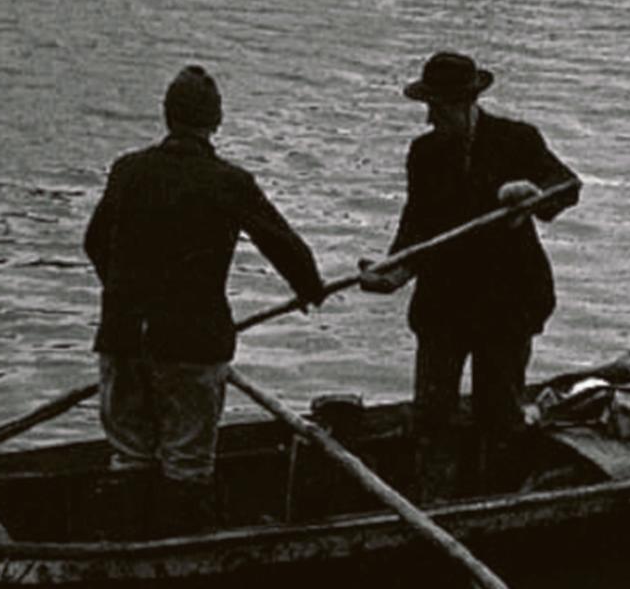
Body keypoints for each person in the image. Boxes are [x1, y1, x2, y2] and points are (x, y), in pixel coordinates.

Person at [84, 64, 326, 533]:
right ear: (216, 122)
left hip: (122, 339)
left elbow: (94, 242)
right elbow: (283, 245)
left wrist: (124, 296)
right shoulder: (228, 181)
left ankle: (121, 553)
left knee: (130, 456)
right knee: (187, 464)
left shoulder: (128, 170)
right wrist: (310, 289)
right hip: (191, 344)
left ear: (167, 116)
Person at [359, 51, 580, 494]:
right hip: (444, 304)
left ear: (466, 103)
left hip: (508, 302)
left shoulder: (516, 140)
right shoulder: (424, 153)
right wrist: (393, 271)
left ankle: (496, 499)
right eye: (428, 107)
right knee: (431, 414)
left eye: (438, 108)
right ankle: (435, 497)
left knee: (498, 414)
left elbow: (567, 187)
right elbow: (417, 225)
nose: (430, 118)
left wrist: (533, 197)